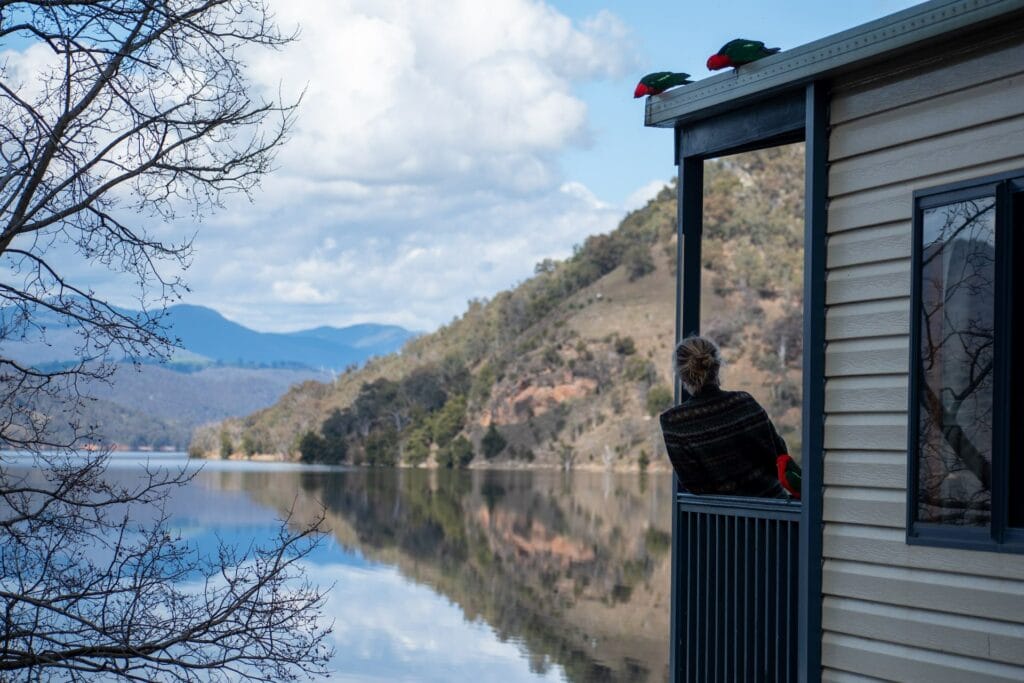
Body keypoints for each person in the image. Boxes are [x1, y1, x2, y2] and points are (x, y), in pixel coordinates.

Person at [659, 336, 789, 498]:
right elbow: (780, 455)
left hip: (725, 520)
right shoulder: (744, 402)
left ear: (681, 375)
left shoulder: (674, 422)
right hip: (776, 514)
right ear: (717, 366)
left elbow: (694, 485)